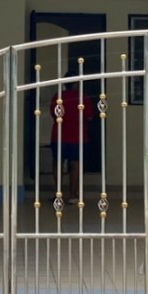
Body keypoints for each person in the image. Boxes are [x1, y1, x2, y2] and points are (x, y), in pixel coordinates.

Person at [51, 69, 94, 203]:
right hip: (77, 135)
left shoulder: (58, 97)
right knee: (75, 164)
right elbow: (90, 117)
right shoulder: (83, 98)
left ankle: (58, 194)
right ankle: (73, 195)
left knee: (58, 163)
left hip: (59, 135)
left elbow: (54, 114)